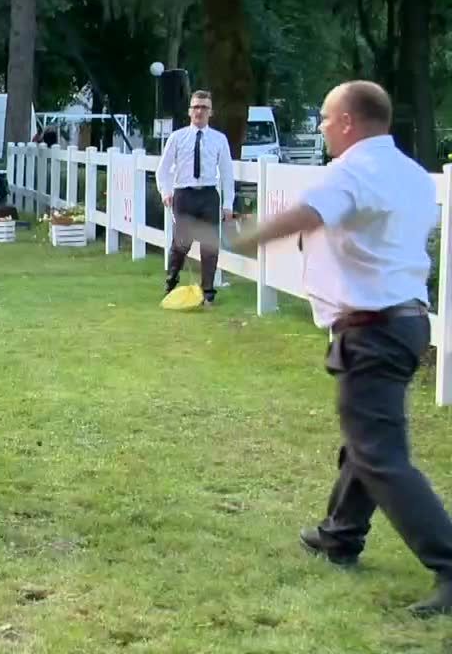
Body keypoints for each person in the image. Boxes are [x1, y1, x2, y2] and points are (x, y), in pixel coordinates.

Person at [230, 80, 452, 617]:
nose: (323, 128)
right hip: (403, 323)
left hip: (372, 328)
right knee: (366, 441)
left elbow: (309, 214)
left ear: (350, 121)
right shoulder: (409, 173)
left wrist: (243, 237)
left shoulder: (352, 170)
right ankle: (340, 534)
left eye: (327, 119)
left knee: (378, 453)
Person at [154, 90, 235, 306]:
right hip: (184, 195)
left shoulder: (219, 140)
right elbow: (163, 170)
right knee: (181, 244)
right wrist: (166, 192)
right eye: (196, 107)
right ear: (190, 111)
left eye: (204, 107)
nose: (199, 111)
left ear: (211, 112)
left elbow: (227, 173)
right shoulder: (177, 137)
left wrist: (228, 204)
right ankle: (171, 281)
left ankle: (207, 291)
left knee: (209, 245)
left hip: (208, 195)